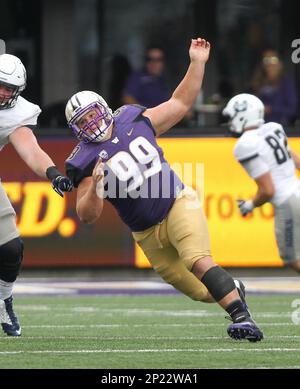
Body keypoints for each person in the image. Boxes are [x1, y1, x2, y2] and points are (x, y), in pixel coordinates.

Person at [65, 38, 263, 342]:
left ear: (104, 108)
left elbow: (180, 103)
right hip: (145, 233)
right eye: (83, 121)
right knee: (201, 291)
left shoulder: (131, 118)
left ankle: (243, 319)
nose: (91, 123)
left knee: (197, 260)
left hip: (176, 203)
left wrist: (197, 62)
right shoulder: (83, 159)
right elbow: (87, 215)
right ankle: (233, 289)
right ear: (76, 129)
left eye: (92, 114)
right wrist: (96, 188)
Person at [0, 53, 73, 336]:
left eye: (10, 88)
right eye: (1, 85)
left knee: (10, 247)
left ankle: (3, 300)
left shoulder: (16, 113)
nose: (4, 92)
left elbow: (29, 149)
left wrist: (53, 173)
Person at [223, 93, 300, 274]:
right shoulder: (273, 127)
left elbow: (268, 190)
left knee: (293, 258)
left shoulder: (245, 145)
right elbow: (296, 160)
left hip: (287, 203)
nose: (230, 122)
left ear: (242, 115)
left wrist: (250, 205)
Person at [251, 49, 298, 126]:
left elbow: (293, 109)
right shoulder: (258, 82)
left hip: (283, 128)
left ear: (280, 64)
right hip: (260, 128)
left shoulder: (287, 82)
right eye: (266, 60)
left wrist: (271, 109)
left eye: (273, 60)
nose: (269, 64)